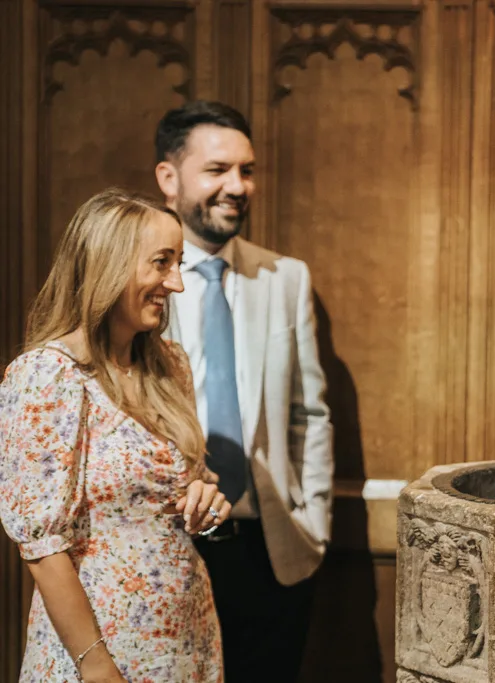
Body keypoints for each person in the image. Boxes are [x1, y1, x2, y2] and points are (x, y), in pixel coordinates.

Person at [0, 188, 229, 682]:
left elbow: (187, 481)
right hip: (101, 647)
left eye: (179, 263)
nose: (176, 284)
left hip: (187, 634)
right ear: (109, 265)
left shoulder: (171, 366)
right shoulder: (47, 376)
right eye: (161, 263)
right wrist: (97, 667)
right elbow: (42, 546)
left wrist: (204, 497)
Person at [154, 100, 334, 682]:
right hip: (168, 540)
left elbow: (310, 415)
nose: (237, 186)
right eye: (217, 170)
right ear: (168, 178)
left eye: (246, 170)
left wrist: (314, 524)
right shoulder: (138, 282)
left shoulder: (285, 278)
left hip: (272, 548)